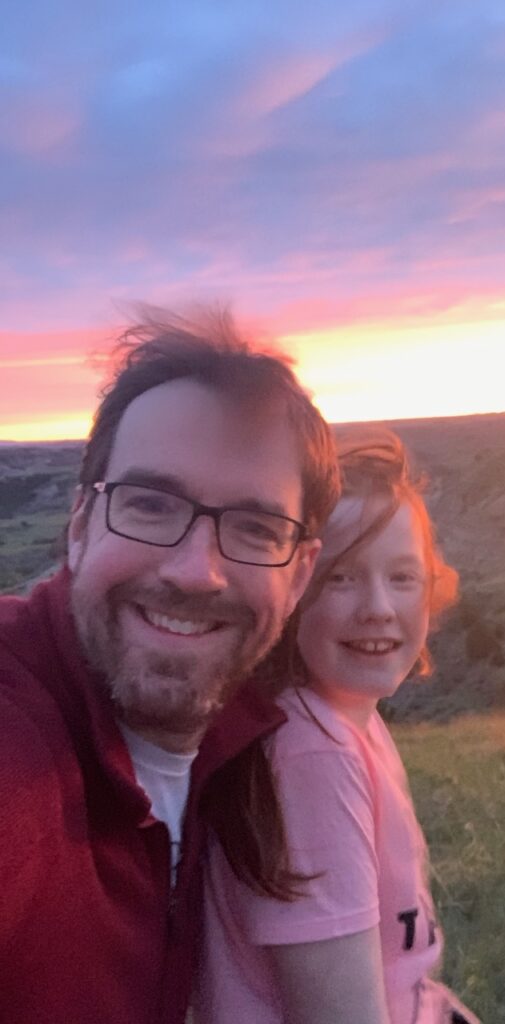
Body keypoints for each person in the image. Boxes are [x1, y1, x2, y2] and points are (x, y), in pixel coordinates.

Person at [0, 307, 339, 1024]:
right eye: (151, 505)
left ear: (301, 574)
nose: (196, 573)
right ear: (81, 523)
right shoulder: (19, 728)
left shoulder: (252, 737)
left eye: (254, 528)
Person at [198, 429, 480, 1024]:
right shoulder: (308, 755)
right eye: (341, 577)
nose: (378, 606)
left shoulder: (341, 721)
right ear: (293, 591)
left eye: (403, 577)